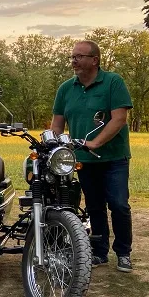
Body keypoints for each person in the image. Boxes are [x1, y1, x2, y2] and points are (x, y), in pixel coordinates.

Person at [51, 40, 134, 272]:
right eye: (72, 57)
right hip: (83, 160)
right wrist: (51, 142)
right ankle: (99, 253)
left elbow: (119, 118)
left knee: (118, 205)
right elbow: (57, 124)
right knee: (95, 206)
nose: (74, 61)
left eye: (79, 56)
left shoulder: (113, 82)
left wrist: (95, 143)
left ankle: (123, 252)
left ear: (94, 60)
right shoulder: (66, 88)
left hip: (114, 158)